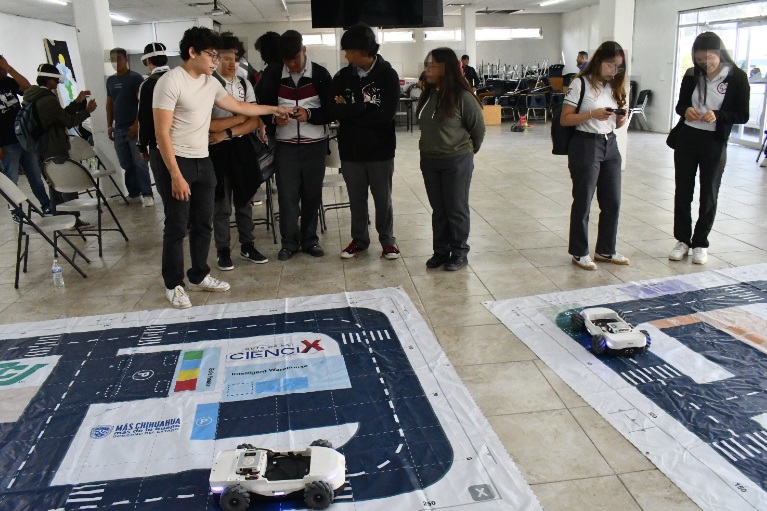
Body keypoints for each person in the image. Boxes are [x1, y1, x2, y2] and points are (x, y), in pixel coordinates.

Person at [152, 27, 291, 309]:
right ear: (192, 52)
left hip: (203, 158)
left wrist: (272, 110)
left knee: (204, 222)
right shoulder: (170, 82)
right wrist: (175, 175)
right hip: (176, 160)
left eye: (218, 56)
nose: (216, 62)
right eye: (211, 55)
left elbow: (239, 106)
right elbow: (162, 133)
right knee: (177, 225)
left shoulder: (210, 83)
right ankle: (174, 284)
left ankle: (199, 275)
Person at [668, 32, 750, 265]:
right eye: (700, 59)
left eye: (710, 58)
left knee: (709, 192)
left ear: (720, 53)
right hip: (687, 137)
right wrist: (686, 110)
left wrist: (718, 115)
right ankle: (682, 240)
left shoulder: (737, 77)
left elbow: (742, 115)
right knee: (683, 190)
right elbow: (680, 105)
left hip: (714, 141)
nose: (705, 63)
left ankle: (700, 243)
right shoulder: (692, 74)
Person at [258, 30, 333, 261]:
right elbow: (262, 110)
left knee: (312, 194)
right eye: (287, 61)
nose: (292, 65)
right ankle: (289, 243)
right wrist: (275, 120)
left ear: (304, 50)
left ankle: (310, 240)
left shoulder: (320, 74)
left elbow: (331, 111)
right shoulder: (273, 75)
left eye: (296, 59)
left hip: (314, 145)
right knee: (287, 196)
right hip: (285, 146)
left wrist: (310, 114)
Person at [329, 23, 400, 260]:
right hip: (351, 151)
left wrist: (350, 110)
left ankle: (388, 241)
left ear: (363, 50)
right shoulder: (342, 77)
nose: (346, 56)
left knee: (383, 200)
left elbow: (386, 115)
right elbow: (334, 110)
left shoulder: (388, 75)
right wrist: (365, 108)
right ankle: (359, 240)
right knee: (356, 200)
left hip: (381, 150)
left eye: (349, 51)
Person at [560, 41, 629, 271]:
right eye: (610, 65)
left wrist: (622, 117)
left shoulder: (616, 87)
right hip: (586, 144)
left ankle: (606, 249)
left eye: (618, 67)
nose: (614, 70)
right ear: (598, 61)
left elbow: (617, 124)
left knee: (612, 201)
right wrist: (591, 114)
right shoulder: (580, 83)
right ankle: (579, 251)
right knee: (583, 200)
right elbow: (565, 119)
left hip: (611, 144)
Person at [416, 48, 485, 272]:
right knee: (439, 209)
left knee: (455, 207)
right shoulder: (429, 94)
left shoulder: (463, 97)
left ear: (445, 69)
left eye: (432, 66)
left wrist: (466, 152)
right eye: (426, 65)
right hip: (429, 160)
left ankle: (459, 252)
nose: (427, 70)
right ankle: (440, 251)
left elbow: (478, 129)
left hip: (456, 160)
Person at [209, 32, 268, 271]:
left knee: (245, 199)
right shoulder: (208, 84)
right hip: (216, 150)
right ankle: (223, 249)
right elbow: (210, 125)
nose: (231, 64)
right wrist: (241, 117)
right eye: (225, 58)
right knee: (221, 204)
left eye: (234, 58)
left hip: (241, 146)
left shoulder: (244, 83)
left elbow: (254, 121)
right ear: (216, 59)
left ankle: (247, 245)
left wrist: (228, 131)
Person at [23, 63, 97, 227]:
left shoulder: (33, 96)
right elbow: (68, 121)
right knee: (67, 181)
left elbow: (59, 116)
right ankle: (73, 219)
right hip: (55, 146)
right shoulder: (48, 99)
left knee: (54, 182)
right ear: (49, 80)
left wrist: (77, 101)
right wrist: (87, 111)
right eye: (56, 81)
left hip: (42, 148)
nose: (57, 84)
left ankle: (61, 217)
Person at [0, 54, 52, 217]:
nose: (4, 71)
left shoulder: (9, 82)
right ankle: (16, 211)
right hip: (6, 143)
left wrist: (10, 68)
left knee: (35, 175)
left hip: (24, 139)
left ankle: (46, 205)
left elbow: (27, 87)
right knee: (11, 179)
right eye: (2, 68)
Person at [107, 48, 154, 207]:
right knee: (126, 164)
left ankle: (147, 194)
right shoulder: (110, 81)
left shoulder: (135, 78)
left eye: (119, 59)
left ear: (126, 59)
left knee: (139, 163)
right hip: (118, 129)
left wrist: (136, 124)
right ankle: (134, 194)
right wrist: (109, 126)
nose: (116, 62)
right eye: (113, 60)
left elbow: (142, 104)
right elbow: (109, 104)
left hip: (133, 127)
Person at [136, 42, 170, 185]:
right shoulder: (181, 78)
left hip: (160, 145)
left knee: (166, 188)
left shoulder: (148, 85)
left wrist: (142, 145)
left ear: (148, 61)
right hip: (186, 143)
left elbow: (145, 119)